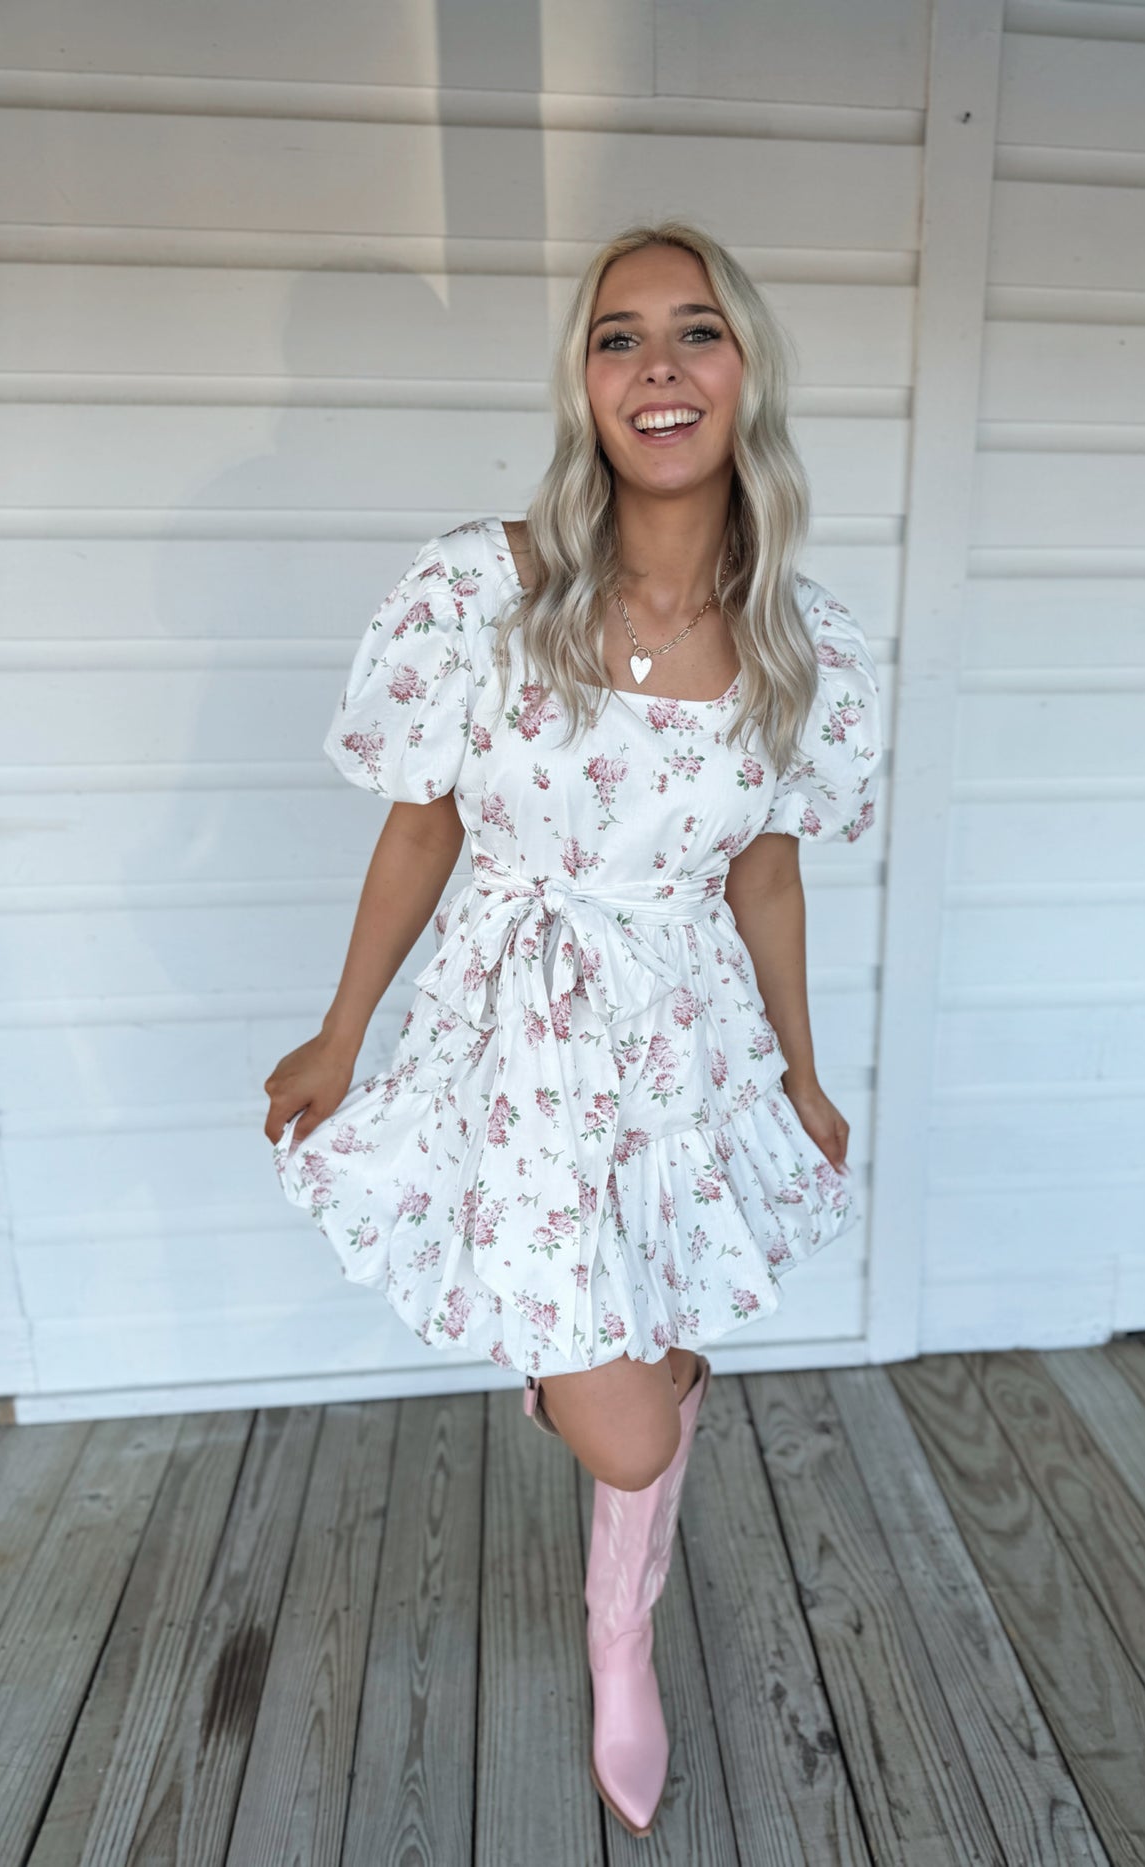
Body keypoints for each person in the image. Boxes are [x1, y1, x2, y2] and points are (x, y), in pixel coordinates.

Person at [263, 219, 882, 1837]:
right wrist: (344, 1035)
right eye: (619, 337)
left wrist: (804, 1077)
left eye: (696, 332)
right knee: (621, 1420)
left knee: (673, 1326)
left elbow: (768, 882)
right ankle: (592, 1452)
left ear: (746, 372)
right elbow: (421, 830)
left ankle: (625, 1637)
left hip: (685, 1043)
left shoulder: (802, 640)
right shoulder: (488, 585)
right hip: (512, 1033)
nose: (658, 367)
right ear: (584, 383)